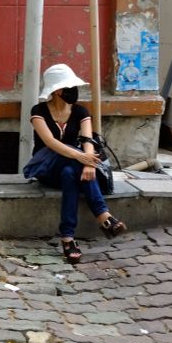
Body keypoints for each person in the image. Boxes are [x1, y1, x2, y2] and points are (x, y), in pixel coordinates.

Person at [23, 64, 126, 263]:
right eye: (67, 87)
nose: (73, 91)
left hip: (72, 167)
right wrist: (82, 158)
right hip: (46, 166)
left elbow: (88, 140)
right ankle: (103, 216)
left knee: (70, 173)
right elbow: (51, 143)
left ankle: (68, 237)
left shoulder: (80, 112)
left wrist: (88, 164)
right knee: (69, 161)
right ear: (57, 90)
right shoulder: (39, 111)